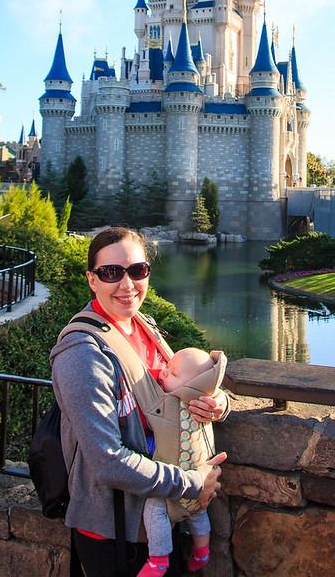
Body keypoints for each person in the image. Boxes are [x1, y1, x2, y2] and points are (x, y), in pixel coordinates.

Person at [50, 227, 228, 577]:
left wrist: (217, 402)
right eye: (111, 272)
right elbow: (107, 461)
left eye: (137, 270)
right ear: (92, 280)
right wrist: (193, 483)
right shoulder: (82, 354)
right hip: (116, 532)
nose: (127, 284)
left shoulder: (145, 326)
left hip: (163, 518)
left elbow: (181, 390)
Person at [140, 347, 226, 577]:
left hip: (177, 483)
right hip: (199, 481)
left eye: (173, 373)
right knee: (198, 513)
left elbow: (157, 438)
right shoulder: (193, 398)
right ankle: (202, 551)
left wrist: (221, 402)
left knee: (155, 509)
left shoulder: (176, 405)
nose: (163, 373)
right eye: (166, 368)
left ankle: (158, 560)